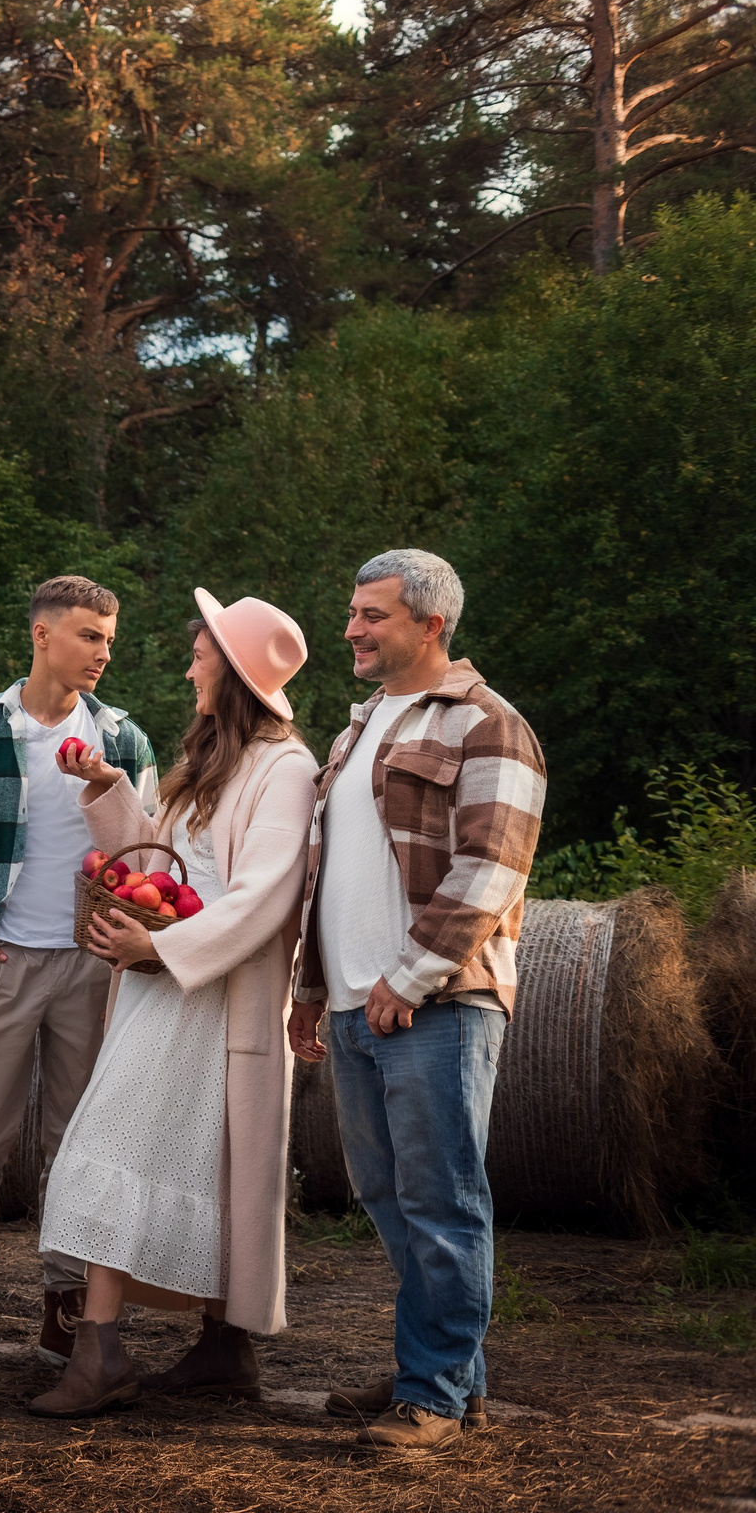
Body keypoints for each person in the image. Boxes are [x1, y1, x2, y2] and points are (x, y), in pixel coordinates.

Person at [27, 592, 317, 1418]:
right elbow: (162, 860)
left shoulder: (287, 768)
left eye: (201, 655)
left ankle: (101, 1353)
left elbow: (263, 896)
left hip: (212, 1001)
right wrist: (111, 785)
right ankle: (221, 1351)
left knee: (122, 1147)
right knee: (157, 1155)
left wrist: (159, 945)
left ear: (234, 670)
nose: (189, 667)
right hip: (167, 994)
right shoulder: (211, 760)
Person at [288, 550, 545, 1455]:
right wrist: (313, 991)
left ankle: (432, 1390)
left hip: (436, 1002)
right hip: (359, 1002)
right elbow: (334, 874)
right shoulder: (361, 726)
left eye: (372, 615)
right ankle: (441, 1370)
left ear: (431, 624)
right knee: (390, 1198)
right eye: (353, 612)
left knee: (442, 1199)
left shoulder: (488, 724)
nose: (351, 628)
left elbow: (490, 867)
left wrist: (409, 977)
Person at [0, 575, 158, 1379]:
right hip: (2, 960)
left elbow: (150, 857)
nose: (104, 652)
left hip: (95, 967)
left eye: (110, 638)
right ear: (42, 635)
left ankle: (67, 1305)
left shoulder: (122, 740)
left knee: (78, 1145)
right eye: (90, 635)